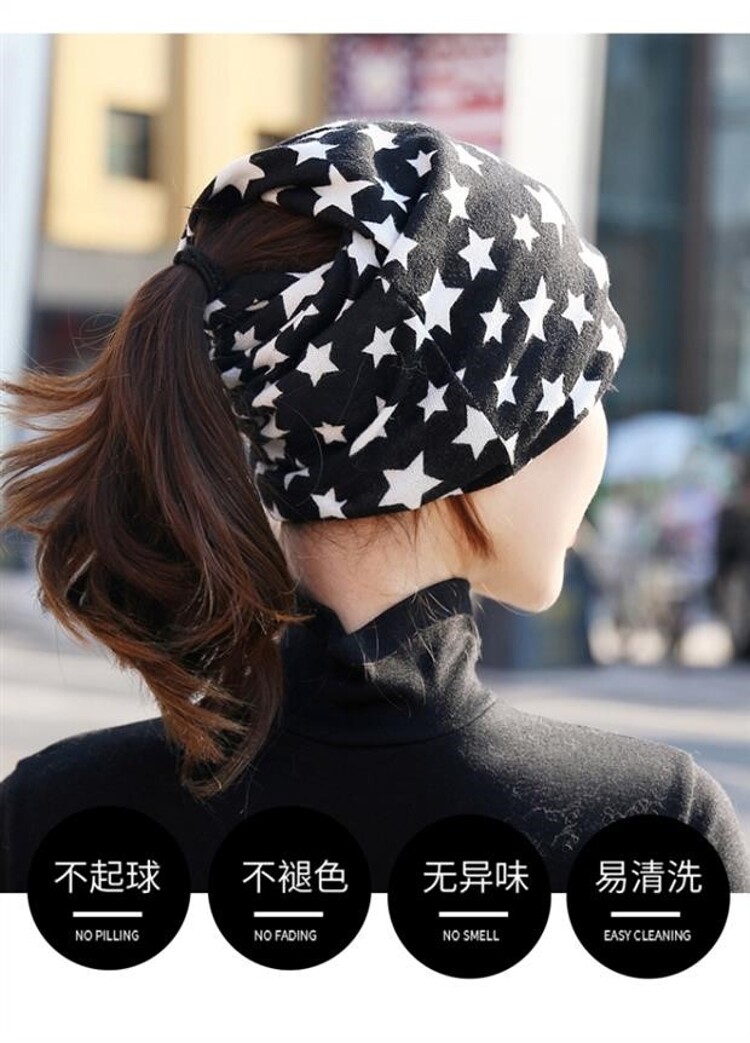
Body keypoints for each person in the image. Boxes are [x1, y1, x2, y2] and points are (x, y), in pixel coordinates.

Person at [1, 119, 748, 893]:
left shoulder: (50, 812)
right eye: (588, 390)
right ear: (472, 434)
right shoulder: (656, 829)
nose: (598, 434)